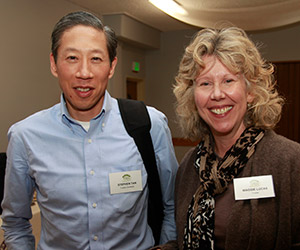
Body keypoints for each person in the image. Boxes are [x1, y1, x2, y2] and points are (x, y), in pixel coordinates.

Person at [1, 11, 178, 250]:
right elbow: (15, 222)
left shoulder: (150, 125)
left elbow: (172, 206)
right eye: (72, 58)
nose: (84, 73)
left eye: (96, 59)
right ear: (54, 64)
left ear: (111, 66)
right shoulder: (25, 136)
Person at [152, 26, 300, 250]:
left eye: (228, 81)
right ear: (193, 97)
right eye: (205, 83)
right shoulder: (190, 167)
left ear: (250, 91)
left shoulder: (290, 161)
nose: (217, 94)